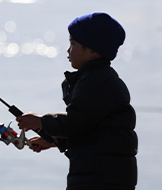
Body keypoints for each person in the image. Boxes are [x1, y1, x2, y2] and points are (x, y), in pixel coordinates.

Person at [16, 12, 138, 190]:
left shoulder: (96, 81)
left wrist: (41, 122)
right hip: (104, 176)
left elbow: (76, 122)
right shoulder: (98, 78)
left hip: (99, 180)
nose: (68, 50)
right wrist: (54, 141)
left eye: (73, 43)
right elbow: (91, 130)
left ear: (93, 50)